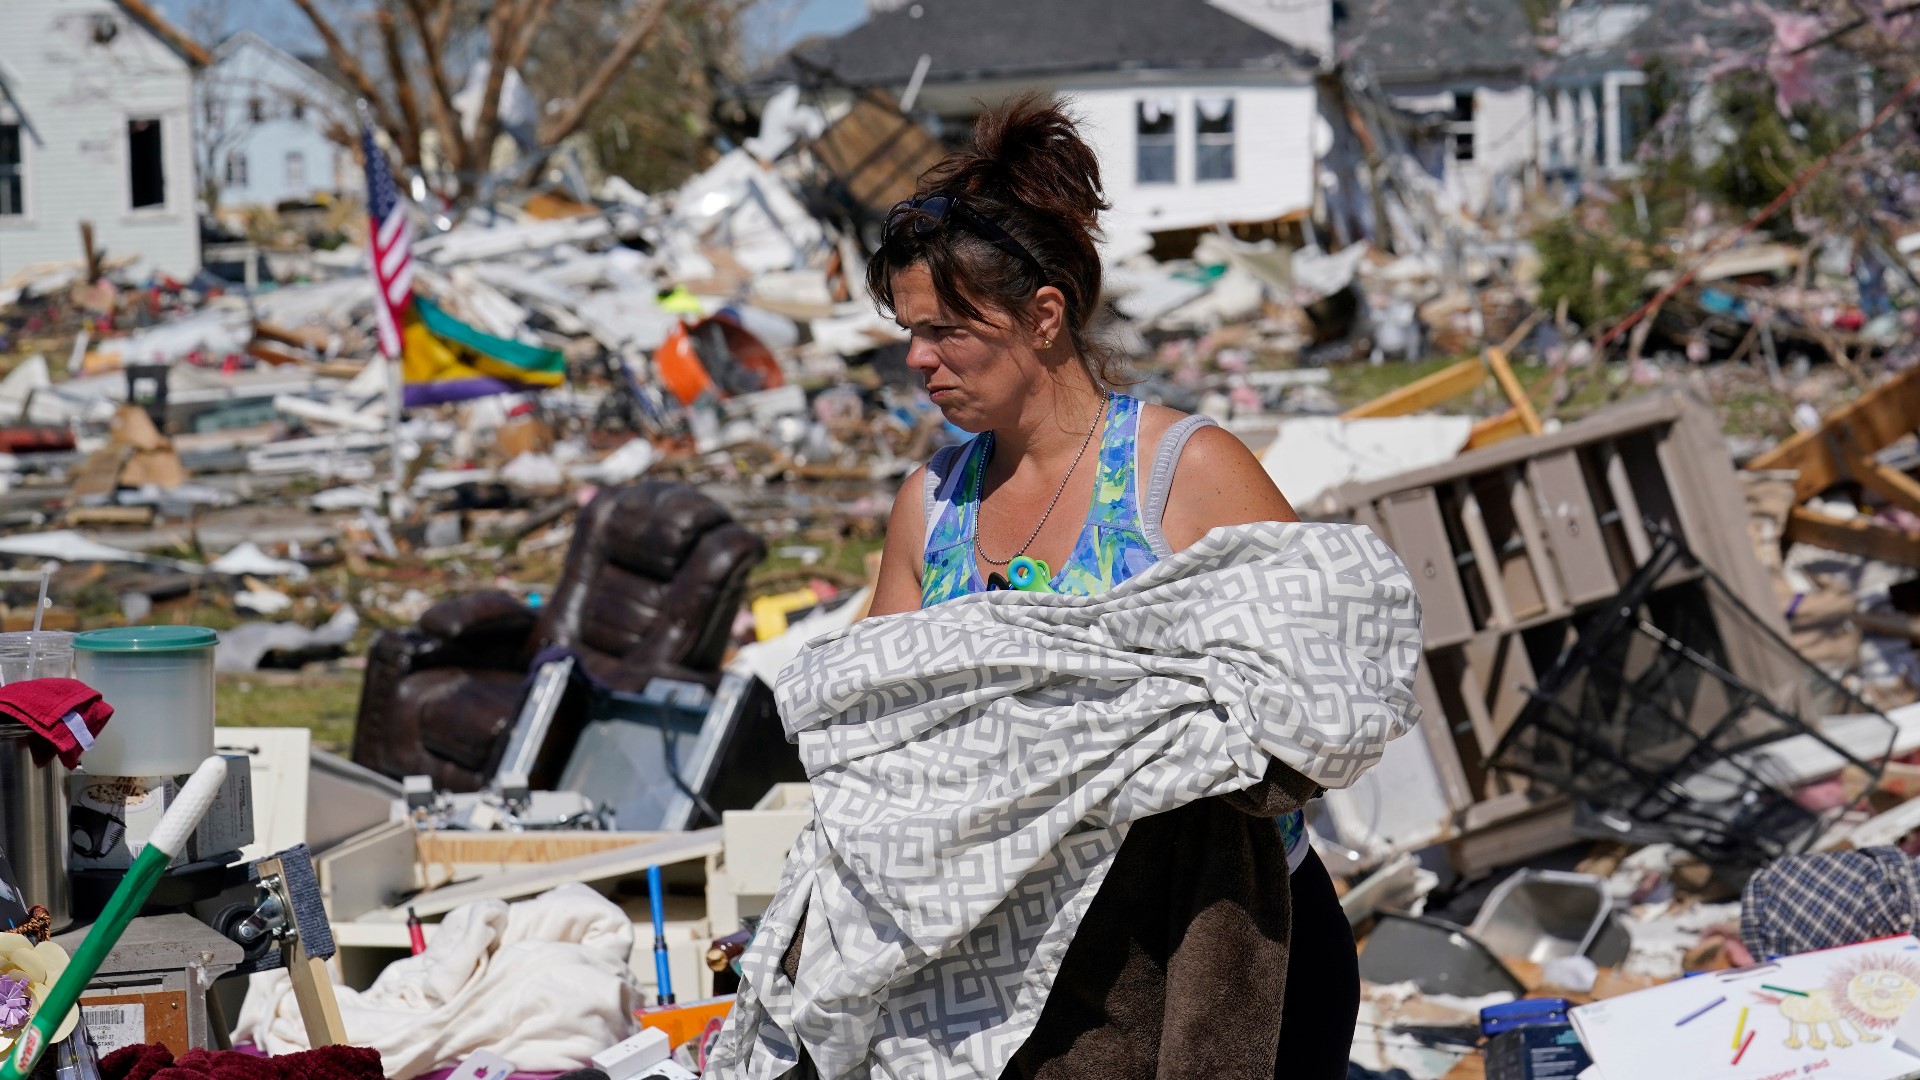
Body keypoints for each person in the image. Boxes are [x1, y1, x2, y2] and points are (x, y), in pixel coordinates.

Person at [853, 94, 1360, 1079]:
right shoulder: (932, 507)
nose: (918, 359)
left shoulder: (1183, 474)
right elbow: (878, 747)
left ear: (1044, 315)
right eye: (908, 330)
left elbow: (1326, 704)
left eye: (947, 330)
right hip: (1022, 991)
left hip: (1229, 963)